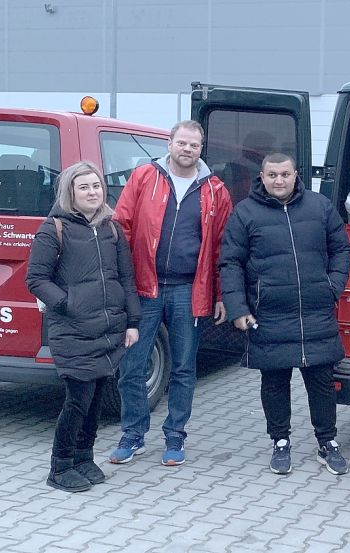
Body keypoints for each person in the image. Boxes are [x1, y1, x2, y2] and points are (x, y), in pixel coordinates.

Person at [219, 153, 350, 475]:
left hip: (315, 311)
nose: (279, 180)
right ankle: (280, 441)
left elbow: (342, 249)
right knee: (275, 382)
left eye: (285, 174)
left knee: (321, 382)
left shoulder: (319, 207)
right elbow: (230, 263)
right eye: (272, 175)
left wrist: (331, 286)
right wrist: (238, 308)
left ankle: (327, 442)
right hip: (270, 314)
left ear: (296, 175)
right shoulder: (245, 213)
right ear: (262, 177)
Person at [110, 120, 233, 466]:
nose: (187, 149)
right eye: (182, 143)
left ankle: (175, 438)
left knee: (183, 369)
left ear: (201, 149)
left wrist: (220, 294)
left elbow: (223, 247)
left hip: (187, 291)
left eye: (194, 145)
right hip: (143, 289)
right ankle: (133, 435)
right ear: (169, 142)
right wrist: (121, 283)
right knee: (132, 367)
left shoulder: (215, 191)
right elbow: (122, 228)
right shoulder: (144, 177)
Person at [26, 161, 141, 492]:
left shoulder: (112, 228)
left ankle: (84, 457)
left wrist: (132, 321)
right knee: (78, 399)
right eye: (84, 187)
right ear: (70, 193)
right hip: (73, 329)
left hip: (108, 330)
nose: (93, 192)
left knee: (95, 399)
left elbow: (126, 278)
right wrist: (66, 303)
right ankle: (60, 466)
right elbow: (36, 278)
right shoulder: (54, 229)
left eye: (97, 186)